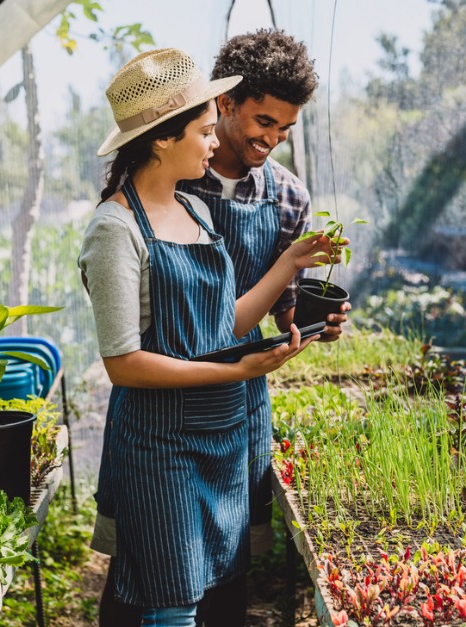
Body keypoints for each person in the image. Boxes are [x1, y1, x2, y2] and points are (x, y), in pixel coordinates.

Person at [79, 49, 336, 626]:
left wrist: (289, 264)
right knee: (170, 606)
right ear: (163, 141)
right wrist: (235, 373)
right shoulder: (115, 228)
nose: (213, 143)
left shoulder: (194, 209)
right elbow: (123, 364)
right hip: (162, 444)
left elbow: (228, 325)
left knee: (215, 591)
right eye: (202, 131)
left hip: (219, 438)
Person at [177, 30, 351, 624]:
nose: (272, 140)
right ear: (224, 103)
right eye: (263, 120)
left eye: (284, 129)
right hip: (168, 389)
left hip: (243, 396)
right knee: (152, 566)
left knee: (229, 568)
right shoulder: (171, 178)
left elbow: (283, 308)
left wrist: (312, 320)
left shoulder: (287, 197)